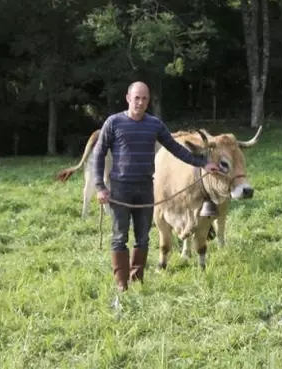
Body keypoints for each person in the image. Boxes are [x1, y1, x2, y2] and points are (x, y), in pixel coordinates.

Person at [93, 81, 221, 292]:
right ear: (128, 98)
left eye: (144, 99)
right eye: (136, 98)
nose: (140, 102)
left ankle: (137, 279)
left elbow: (175, 149)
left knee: (143, 237)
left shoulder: (154, 125)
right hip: (120, 189)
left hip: (145, 189)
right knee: (120, 237)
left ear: (148, 101)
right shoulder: (113, 123)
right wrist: (100, 186)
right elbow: (99, 154)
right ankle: (121, 285)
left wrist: (202, 164)